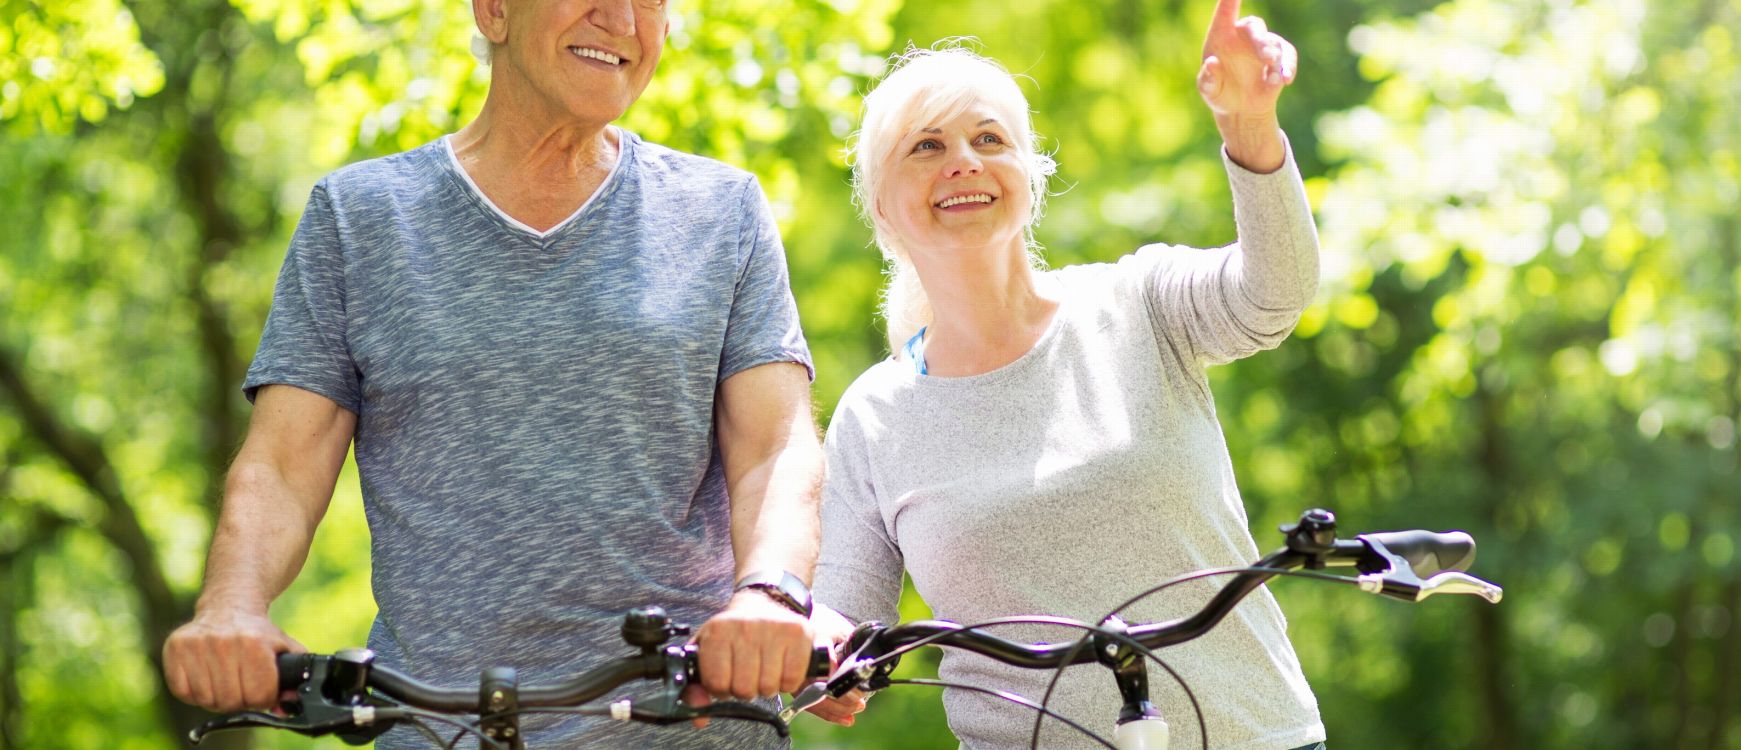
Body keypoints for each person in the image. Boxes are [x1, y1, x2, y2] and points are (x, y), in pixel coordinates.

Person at [159, 0, 824, 746]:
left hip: (688, 727)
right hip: (434, 727)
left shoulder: (721, 211)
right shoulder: (360, 218)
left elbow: (777, 447)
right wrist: (232, 606)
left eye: (653, 0)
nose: (623, 18)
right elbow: (282, 463)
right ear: (495, 11)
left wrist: (770, 596)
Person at [805, 2, 1328, 748]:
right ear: (882, 209)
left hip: (1256, 736)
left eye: (990, 138)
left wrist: (1248, 125)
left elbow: (1274, 295)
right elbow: (844, 628)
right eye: (926, 145)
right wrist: (818, 658)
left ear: (1030, 175)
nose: (964, 160)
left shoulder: (1138, 302)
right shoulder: (874, 416)